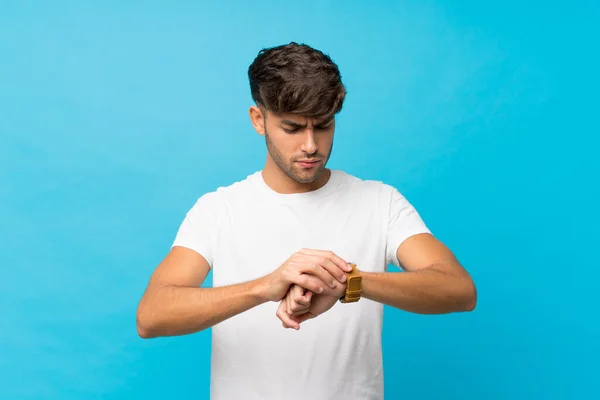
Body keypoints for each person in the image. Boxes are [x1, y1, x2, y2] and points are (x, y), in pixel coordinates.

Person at [136, 42, 477, 400]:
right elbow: (152, 315)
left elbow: (459, 289)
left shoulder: (379, 202)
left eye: (324, 126)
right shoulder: (219, 209)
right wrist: (264, 287)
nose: (311, 145)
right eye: (293, 128)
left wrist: (348, 282)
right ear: (258, 120)